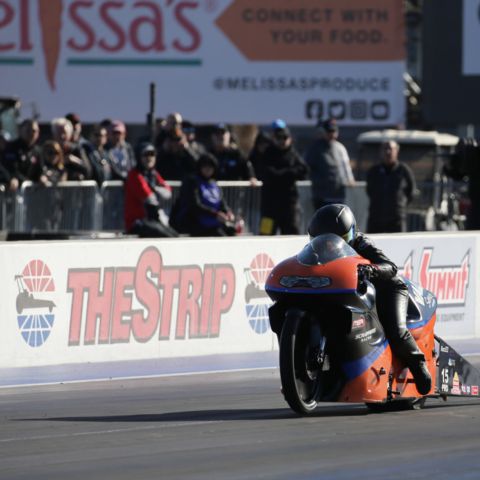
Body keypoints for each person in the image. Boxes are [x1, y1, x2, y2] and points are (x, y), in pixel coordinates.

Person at [307, 203, 432, 395]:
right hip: (350, 292)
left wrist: (371, 269)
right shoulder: (315, 251)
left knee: (395, 330)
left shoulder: (362, 243)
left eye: (337, 240)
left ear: (351, 233)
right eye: (323, 240)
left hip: (386, 288)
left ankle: (419, 365)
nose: (330, 245)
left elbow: (390, 267)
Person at [257, 120, 308, 235]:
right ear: (274, 139)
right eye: (279, 138)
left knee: (291, 233)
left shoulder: (293, 154)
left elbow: (304, 170)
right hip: (269, 205)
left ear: (290, 139)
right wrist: (290, 174)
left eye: (285, 138)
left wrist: (282, 174)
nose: (282, 141)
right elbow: (269, 174)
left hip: (289, 205)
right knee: (265, 234)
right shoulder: (268, 153)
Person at [169, 152, 236, 237]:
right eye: (205, 166)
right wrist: (215, 214)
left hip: (213, 222)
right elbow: (195, 205)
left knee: (232, 231)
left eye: (210, 167)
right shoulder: (192, 182)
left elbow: (222, 203)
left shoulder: (214, 184)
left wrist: (227, 212)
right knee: (220, 235)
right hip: (194, 222)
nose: (208, 169)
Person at [124, 143, 178, 238]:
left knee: (174, 235)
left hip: (152, 220)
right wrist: (156, 190)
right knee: (167, 236)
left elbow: (168, 193)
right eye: (145, 155)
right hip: (137, 222)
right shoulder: (134, 175)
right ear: (139, 157)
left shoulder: (153, 174)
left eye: (152, 154)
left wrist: (155, 188)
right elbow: (149, 198)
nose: (149, 158)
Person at [366, 140, 416, 233]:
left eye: (391, 149)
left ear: (397, 151)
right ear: (381, 152)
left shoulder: (404, 170)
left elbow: (411, 191)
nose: (388, 152)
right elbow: (369, 190)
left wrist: (400, 206)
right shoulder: (374, 171)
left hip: (396, 220)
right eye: (385, 149)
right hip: (376, 219)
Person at [305, 118, 355, 209]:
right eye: (329, 131)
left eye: (334, 131)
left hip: (338, 195)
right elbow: (307, 168)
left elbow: (346, 166)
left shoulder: (340, 147)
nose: (332, 134)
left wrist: (350, 179)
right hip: (321, 196)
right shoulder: (315, 148)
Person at [2, 119, 43, 191]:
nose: (31, 133)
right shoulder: (11, 148)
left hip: (33, 193)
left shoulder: (38, 151)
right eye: (28, 131)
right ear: (20, 131)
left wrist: (42, 177)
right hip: (15, 190)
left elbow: (41, 169)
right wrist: (16, 179)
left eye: (34, 131)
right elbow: (10, 168)